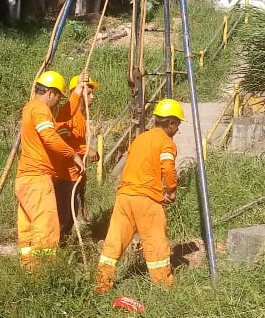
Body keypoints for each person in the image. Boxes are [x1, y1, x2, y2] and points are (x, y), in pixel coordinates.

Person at [94, 98, 185, 294]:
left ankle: (102, 283)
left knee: (114, 241)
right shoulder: (166, 142)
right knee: (155, 241)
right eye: (177, 124)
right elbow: (168, 168)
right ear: (170, 123)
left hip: (124, 197)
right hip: (146, 200)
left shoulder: (140, 138)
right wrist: (171, 190)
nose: (178, 129)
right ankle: (163, 287)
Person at [15, 70, 84, 272]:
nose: (57, 103)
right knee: (46, 227)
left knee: (29, 228)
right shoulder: (40, 109)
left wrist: (78, 90)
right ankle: (42, 275)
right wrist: (72, 154)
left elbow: (62, 116)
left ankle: (28, 271)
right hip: (38, 178)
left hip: (25, 179)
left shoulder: (31, 107)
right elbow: (50, 136)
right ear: (51, 93)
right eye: (58, 97)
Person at [54, 72, 100, 240]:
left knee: (70, 217)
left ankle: (62, 249)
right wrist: (86, 150)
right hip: (64, 177)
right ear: (78, 93)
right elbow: (60, 141)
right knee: (63, 218)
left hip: (75, 176)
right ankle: (55, 251)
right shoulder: (68, 116)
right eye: (88, 93)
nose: (92, 97)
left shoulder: (81, 117)